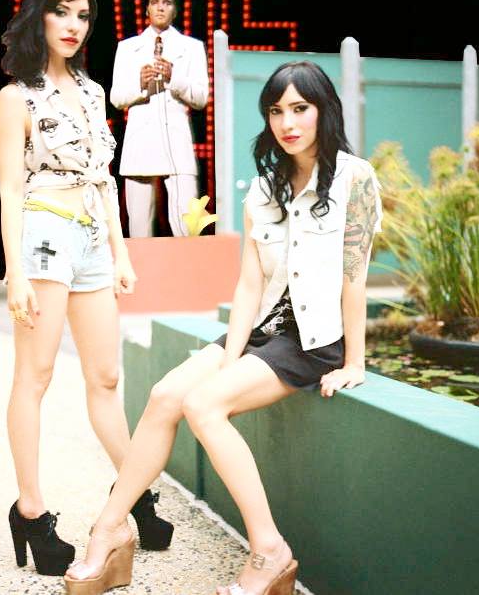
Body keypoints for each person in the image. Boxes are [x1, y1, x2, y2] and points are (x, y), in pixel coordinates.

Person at [64, 60, 383, 594]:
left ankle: (270, 551)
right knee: (165, 396)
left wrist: (355, 362)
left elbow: (355, 276)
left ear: (324, 110)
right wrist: (231, 357)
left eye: (300, 108)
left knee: (204, 406)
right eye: (276, 111)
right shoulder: (264, 187)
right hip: (265, 331)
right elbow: (249, 286)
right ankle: (111, 528)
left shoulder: (356, 178)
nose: (287, 123)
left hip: (313, 340)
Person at [0, 0, 173, 578]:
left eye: (83, 16)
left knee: (105, 376)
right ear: (39, 15)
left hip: (93, 239)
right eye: (62, 12)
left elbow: (103, 181)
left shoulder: (94, 93)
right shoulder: (16, 97)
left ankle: (134, 493)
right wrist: (15, 272)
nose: (73, 26)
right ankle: (31, 510)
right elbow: (11, 189)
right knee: (36, 375)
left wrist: (120, 252)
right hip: (43, 235)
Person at [110, 0, 209, 237]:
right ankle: (141, 265)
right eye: (155, 2)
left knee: (189, 228)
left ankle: (189, 263)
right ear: (147, 9)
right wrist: (140, 84)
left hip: (177, 142)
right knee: (139, 229)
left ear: (175, 10)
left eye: (166, 3)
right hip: (140, 141)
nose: (160, 7)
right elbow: (116, 98)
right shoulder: (128, 47)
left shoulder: (191, 47)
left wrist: (174, 78)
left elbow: (201, 98)